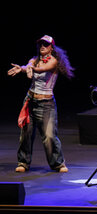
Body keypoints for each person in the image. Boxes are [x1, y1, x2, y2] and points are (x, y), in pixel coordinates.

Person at [7, 35, 74, 173]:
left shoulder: (54, 61)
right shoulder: (34, 60)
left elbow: (42, 69)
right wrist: (23, 68)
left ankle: (58, 163)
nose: (42, 46)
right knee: (26, 133)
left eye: (46, 44)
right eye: (41, 44)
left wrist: (31, 69)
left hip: (46, 104)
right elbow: (29, 65)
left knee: (49, 135)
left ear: (51, 47)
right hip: (30, 101)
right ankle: (23, 162)